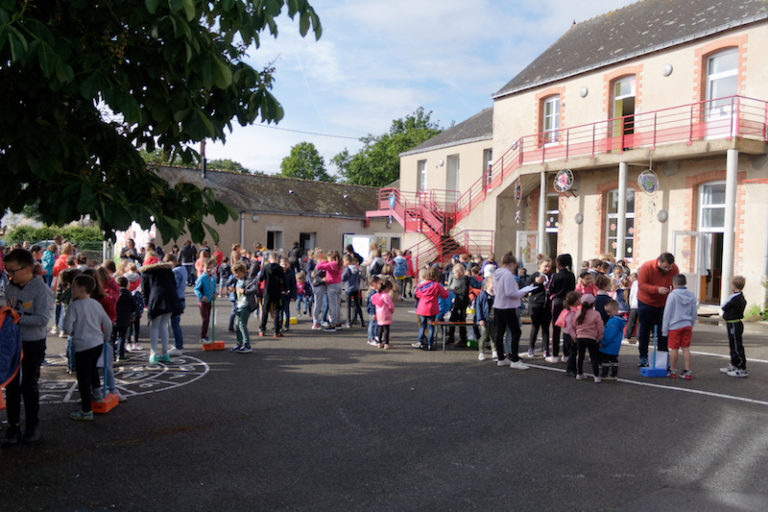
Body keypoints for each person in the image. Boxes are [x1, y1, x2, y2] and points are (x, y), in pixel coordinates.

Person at [2, 249, 54, 445]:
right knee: (12, 385)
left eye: (13, 271)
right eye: (8, 272)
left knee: (29, 385)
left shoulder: (42, 290)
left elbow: (42, 320)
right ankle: (13, 426)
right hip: (13, 342)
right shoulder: (11, 287)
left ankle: (32, 424)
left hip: (33, 343)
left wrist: (16, 318)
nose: (10, 275)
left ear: (27, 269)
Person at [63, 274, 113, 421]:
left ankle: (86, 410)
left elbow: (66, 327)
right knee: (93, 370)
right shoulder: (96, 304)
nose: (71, 289)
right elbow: (108, 324)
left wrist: (72, 333)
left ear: (82, 289)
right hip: (97, 343)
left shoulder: (74, 306)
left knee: (83, 378)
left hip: (82, 345)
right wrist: (105, 337)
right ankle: (97, 395)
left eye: (73, 287)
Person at [636, 253, 679, 367]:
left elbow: (676, 283)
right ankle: (643, 357)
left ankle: (663, 357)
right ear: (659, 262)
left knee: (663, 331)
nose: (668, 269)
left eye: (670, 267)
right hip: (646, 302)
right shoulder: (647, 267)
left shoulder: (674, 269)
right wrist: (656, 289)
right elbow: (642, 285)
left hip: (664, 303)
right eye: (665, 267)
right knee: (645, 330)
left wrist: (675, 292)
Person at [493, 252, 531, 370]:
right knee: (516, 332)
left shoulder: (497, 274)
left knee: (500, 333)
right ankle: (514, 359)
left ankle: (501, 358)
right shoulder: (508, 275)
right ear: (511, 264)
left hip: (498, 305)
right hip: (508, 307)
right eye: (515, 265)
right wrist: (523, 292)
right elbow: (510, 293)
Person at [141, 259, 181, 363]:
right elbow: (174, 285)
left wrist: (146, 304)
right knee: (164, 325)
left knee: (154, 326)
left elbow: (145, 291)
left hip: (156, 299)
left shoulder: (147, 273)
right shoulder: (168, 271)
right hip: (170, 299)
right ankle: (165, 353)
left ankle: (153, 353)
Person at [662, 274, 697, 380]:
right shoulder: (691, 295)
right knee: (686, 348)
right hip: (687, 324)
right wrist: (691, 324)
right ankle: (688, 371)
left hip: (674, 325)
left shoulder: (672, 295)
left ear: (674, 283)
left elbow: (667, 313)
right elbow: (694, 312)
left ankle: (673, 370)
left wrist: (664, 329)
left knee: (674, 349)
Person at [412, 267, 449, 351]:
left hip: (422, 307)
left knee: (422, 325)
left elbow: (417, 294)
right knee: (431, 326)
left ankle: (420, 341)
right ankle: (430, 344)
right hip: (432, 307)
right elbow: (444, 295)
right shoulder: (436, 285)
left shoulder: (422, 285)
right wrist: (446, 291)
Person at [549, 253, 576, 363]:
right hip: (568, 302)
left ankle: (555, 355)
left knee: (556, 329)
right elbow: (573, 288)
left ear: (558, 263)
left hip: (557, 302)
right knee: (568, 328)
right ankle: (566, 354)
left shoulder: (556, 276)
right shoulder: (571, 275)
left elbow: (551, 289)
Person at [721, 276, 748, 378]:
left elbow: (724, 306)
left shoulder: (736, 298)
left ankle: (742, 368)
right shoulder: (738, 296)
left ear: (734, 285)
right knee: (733, 345)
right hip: (732, 323)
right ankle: (734, 364)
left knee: (737, 346)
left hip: (734, 323)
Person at [574, 294, 604, 383]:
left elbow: (574, 324)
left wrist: (577, 333)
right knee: (594, 357)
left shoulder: (578, 312)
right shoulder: (596, 314)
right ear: (593, 304)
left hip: (580, 337)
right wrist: (599, 337)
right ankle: (596, 376)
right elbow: (600, 327)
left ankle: (579, 373)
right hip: (592, 338)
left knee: (580, 356)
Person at [527, 258, 552, 359]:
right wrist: (536, 283)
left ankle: (546, 350)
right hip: (536, 304)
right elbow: (526, 287)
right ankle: (531, 348)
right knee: (535, 327)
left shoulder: (550, 276)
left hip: (547, 305)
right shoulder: (534, 275)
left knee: (546, 328)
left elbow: (553, 288)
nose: (547, 268)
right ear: (539, 266)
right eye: (545, 266)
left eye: (549, 266)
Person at [259, 252, 284, 337]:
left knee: (265, 311)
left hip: (267, 291)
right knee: (277, 311)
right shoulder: (280, 269)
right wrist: (285, 289)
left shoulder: (265, 267)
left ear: (269, 259)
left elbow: (260, 278)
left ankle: (262, 329)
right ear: (277, 259)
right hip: (277, 292)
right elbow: (283, 280)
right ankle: (276, 331)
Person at [316, 251, 343, 332]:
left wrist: (324, 261)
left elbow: (318, 266)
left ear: (331, 257)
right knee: (337, 304)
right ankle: (338, 322)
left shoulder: (331, 264)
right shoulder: (340, 263)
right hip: (339, 284)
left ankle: (333, 324)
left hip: (332, 285)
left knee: (332, 305)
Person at [598, 300, 625, 380]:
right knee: (614, 360)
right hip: (615, 345)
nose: (608, 314)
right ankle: (614, 374)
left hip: (609, 345)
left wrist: (603, 342)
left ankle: (604, 374)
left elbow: (610, 334)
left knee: (605, 360)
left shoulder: (614, 321)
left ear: (616, 309)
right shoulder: (619, 320)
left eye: (609, 312)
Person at [229, 261, 252, 353]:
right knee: (237, 325)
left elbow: (254, 290)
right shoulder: (236, 281)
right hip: (238, 305)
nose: (236, 274)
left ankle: (247, 345)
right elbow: (230, 285)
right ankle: (239, 344)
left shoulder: (247, 281)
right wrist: (232, 289)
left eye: (238, 272)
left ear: (243, 271)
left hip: (245, 306)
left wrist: (245, 291)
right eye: (234, 273)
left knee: (242, 325)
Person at [446, 263, 471, 348]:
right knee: (452, 319)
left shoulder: (464, 280)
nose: (454, 275)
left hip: (462, 304)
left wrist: (453, 290)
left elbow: (464, 292)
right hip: (457, 302)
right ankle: (451, 337)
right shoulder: (459, 279)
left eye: (455, 273)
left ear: (460, 272)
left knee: (461, 322)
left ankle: (463, 339)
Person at [194, 258, 217, 343]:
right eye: (207, 267)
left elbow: (214, 288)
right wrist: (201, 296)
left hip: (209, 301)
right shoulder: (202, 278)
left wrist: (215, 294)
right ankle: (202, 337)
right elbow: (196, 289)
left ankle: (205, 336)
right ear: (203, 267)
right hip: (202, 302)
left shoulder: (212, 278)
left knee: (207, 319)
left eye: (211, 268)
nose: (209, 270)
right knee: (205, 319)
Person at [167, 254, 186, 356]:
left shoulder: (176, 271)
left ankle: (178, 346)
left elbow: (174, 284)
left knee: (175, 324)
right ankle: (177, 344)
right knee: (175, 323)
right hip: (180, 298)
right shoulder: (182, 269)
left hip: (177, 299)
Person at [114, 276, 135, 362]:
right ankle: (120, 354)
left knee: (112, 336)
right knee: (122, 337)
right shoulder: (129, 295)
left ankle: (111, 354)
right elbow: (134, 306)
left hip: (114, 318)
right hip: (125, 319)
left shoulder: (114, 294)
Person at [475, 276, 495, 361]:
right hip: (485, 319)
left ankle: (495, 351)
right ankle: (481, 352)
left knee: (494, 336)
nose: (494, 286)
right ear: (487, 285)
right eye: (492, 284)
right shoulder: (483, 295)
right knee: (484, 336)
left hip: (494, 319)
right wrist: (480, 319)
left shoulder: (496, 295)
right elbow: (478, 308)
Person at [371, 279, 395, 350]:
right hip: (386, 313)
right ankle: (386, 344)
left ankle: (379, 342)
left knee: (380, 328)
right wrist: (392, 310)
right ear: (387, 288)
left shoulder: (377, 295)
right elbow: (390, 305)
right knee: (386, 329)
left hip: (379, 313)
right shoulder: (386, 296)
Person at [342, 254, 364, 328]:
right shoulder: (356, 268)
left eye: (344, 261)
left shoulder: (347, 269)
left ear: (347, 262)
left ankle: (348, 322)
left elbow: (343, 278)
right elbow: (358, 279)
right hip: (355, 288)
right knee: (357, 305)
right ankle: (362, 320)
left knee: (348, 306)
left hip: (348, 288)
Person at [280, 256, 297, 331]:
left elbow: (293, 285)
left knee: (286, 310)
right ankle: (279, 325)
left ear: (288, 264)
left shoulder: (291, 273)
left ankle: (287, 325)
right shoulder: (278, 272)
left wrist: (293, 296)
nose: (284, 266)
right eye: (283, 264)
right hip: (279, 294)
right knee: (279, 310)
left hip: (287, 294)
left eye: (285, 264)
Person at [365, 275, 380, 346]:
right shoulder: (372, 293)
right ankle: (371, 338)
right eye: (379, 283)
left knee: (376, 324)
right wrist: (374, 313)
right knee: (372, 324)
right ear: (374, 283)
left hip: (374, 311)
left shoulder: (374, 292)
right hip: (373, 311)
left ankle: (375, 336)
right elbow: (372, 305)